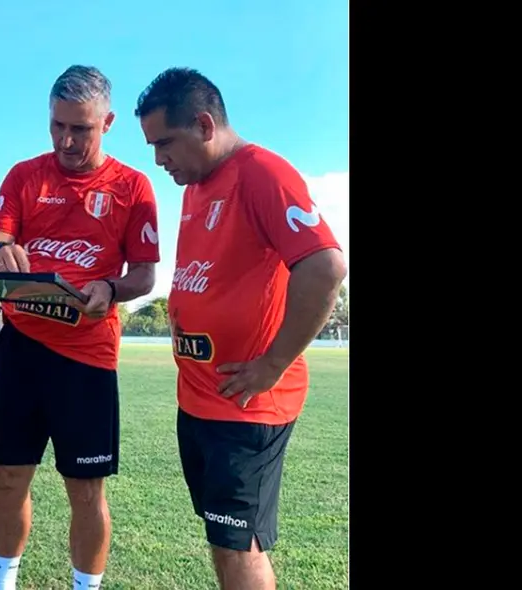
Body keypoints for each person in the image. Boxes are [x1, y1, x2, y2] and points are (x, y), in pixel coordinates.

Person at [134, 67, 348, 590]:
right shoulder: (196, 186)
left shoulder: (263, 173)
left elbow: (325, 267)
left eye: (165, 143)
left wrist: (273, 363)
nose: (158, 159)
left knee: (239, 548)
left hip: (246, 408)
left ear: (205, 125)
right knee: (224, 542)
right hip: (200, 400)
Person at [0, 65, 161, 590]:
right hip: (20, 348)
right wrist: (0, 250)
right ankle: (1, 583)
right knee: (9, 478)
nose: (66, 140)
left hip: (87, 357)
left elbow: (145, 274)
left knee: (86, 489)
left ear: (108, 122)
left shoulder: (133, 186)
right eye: (57, 126)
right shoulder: (24, 175)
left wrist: (112, 288)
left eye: (80, 129)